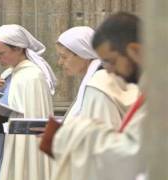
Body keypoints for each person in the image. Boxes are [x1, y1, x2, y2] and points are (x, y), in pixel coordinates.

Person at [50, 12, 146, 180]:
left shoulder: (99, 84)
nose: (108, 70)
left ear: (135, 51)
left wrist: (73, 133)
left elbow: (134, 153)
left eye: (111, 61)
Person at [39, 26, 139, 156]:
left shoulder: (98, 84)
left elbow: (102, 141)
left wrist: (59, 140)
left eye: (64, 57)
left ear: (83, 54)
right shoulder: (96, 78)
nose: (60, 62)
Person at [0, 24, 56, 180]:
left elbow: (32, 127)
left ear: (18, 48)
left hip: (19, 149)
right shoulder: (9, 74)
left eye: (1, 53)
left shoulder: (32, 77)